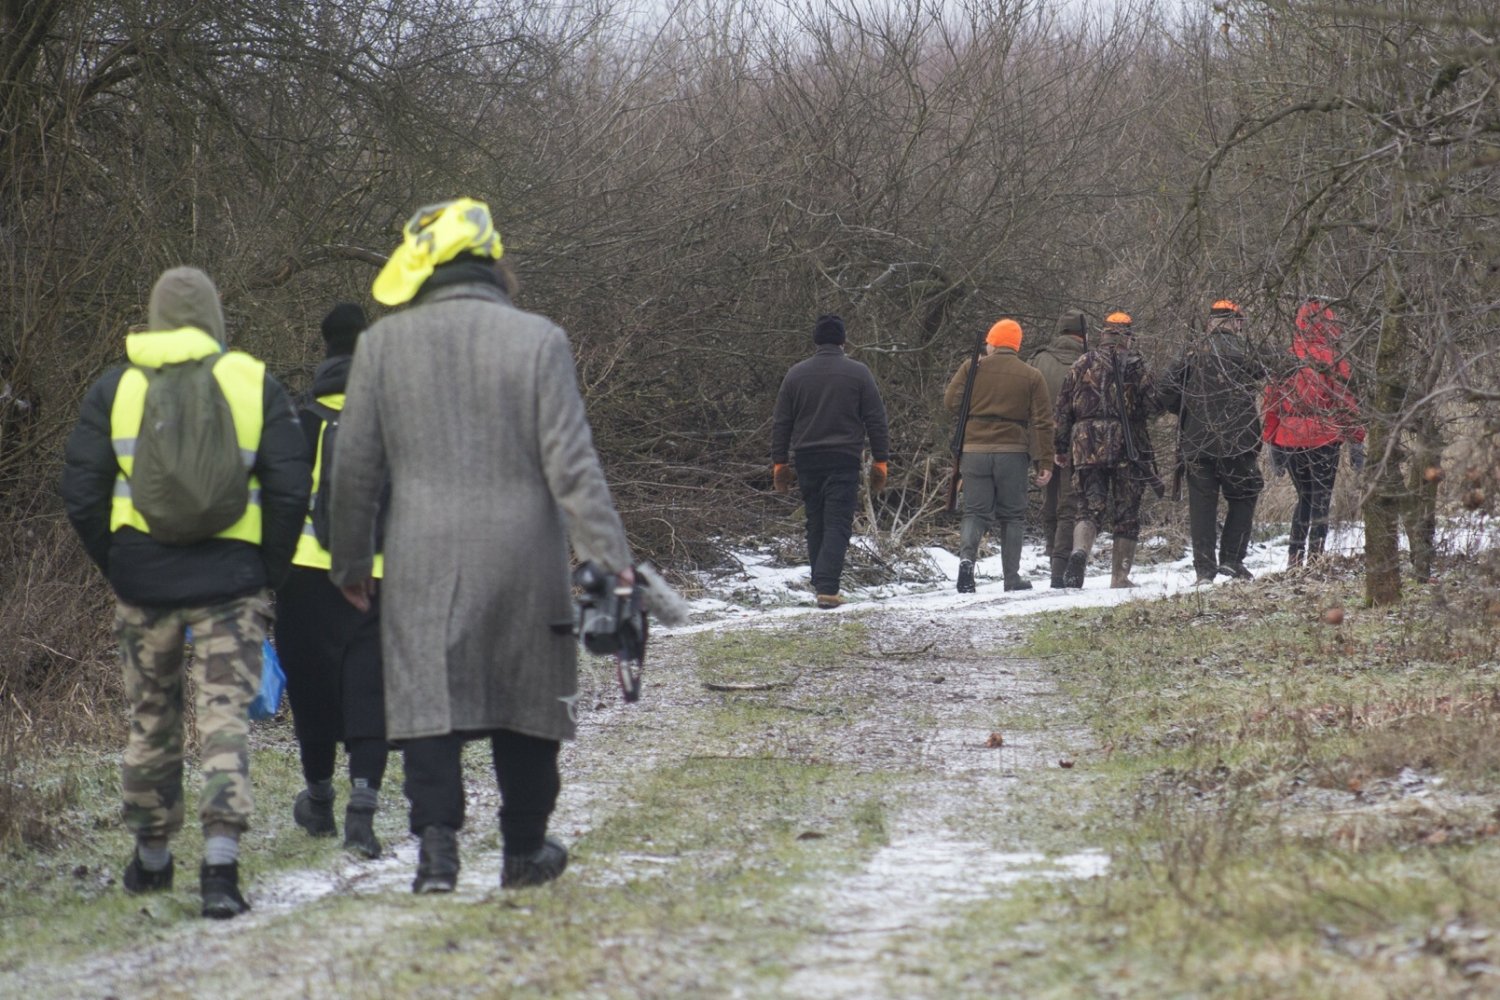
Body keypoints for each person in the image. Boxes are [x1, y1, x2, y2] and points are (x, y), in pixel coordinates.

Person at [327, 198, 635, 893]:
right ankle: (524, 851)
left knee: (428, 697)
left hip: (422, 556)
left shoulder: (380, 348)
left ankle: (437, 852)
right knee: (526, 703)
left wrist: (349, 561)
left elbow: (354, 470)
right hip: (525, 554)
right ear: (494, 261)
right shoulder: (539, 340)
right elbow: (574, 465)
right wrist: (606, 562)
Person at [60, 266, 310, 918]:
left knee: (153, 719)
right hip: (233, 584)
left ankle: (150, 860)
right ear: (215, 318)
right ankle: (221, 870)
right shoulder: (255, 383)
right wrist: (268, 571)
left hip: (144, 583)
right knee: (224, 720)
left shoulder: (116, 387)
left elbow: (81, 492)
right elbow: (290, 490)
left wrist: (119, 564)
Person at [277, 302, 390, 858]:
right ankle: (363, 808)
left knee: (312, 687)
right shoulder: (390, 412)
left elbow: (279, 497)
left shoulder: (298, 415)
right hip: (377, 569)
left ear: (322, 348)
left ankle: (319, 799)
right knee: (371, 686)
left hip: (304, 572)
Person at [770, 314, 891, 609]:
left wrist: (780, 463)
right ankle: (827, 587)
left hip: (807, 459)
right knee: (837, 521)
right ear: (843, 341)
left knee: (816, 521)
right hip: (844, 457)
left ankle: (821, 583)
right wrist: (881, 461)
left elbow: (781, 422)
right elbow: (876, 419)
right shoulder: (858, 373)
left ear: (815, 340)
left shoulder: (795, 374)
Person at [1159, 299, 1283, 583]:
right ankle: (1231, 559)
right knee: (1245, 494)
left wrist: (1187, 409)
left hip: (1196, 442)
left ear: (1209, 323)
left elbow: (1164, 391)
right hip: (1237, 442)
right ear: (1237, 322)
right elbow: (1280, 364)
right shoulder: (1245, 350)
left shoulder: (1190, 352)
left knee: (1202, 506)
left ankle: (1204, 570)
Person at [943, 318, 1054, 593]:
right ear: (1016, 345)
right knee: (1013, 516)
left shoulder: (972, 367)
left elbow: (951, 402)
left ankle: (967, 564)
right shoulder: (1031, 375)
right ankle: (1011, 578)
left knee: (974, 512)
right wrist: (1045, 461)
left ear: (993, 342)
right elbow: (1042, 421)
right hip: (1013, 453)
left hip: (974, 451)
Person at [1053, 312, 1162, 588]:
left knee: (1088, 506)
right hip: (1128, 445)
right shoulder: (1136, 365)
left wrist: (1061, 446)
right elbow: (1153, 407)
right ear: (1127, 335)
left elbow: (1063, 410)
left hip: (1086, 444)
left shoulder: (1081, 363)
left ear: (1103, 334)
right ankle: (1120, 577)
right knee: (1127, 512)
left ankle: (1079, 554)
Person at [1262, 299, 1366, 567]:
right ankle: (1316, 556)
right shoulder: (1334, 360)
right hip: (1325, 436)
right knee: (1321, 498)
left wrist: (1271, 441)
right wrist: (1356, 439)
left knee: (1304, 497)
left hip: (1290, 437)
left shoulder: (1286, 358)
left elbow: (1271, 403)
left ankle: (1294, 558)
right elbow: (1346, 403)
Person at [1028, 309, 1088, 587]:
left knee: (1049, 501)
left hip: (1041, 440)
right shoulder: (1088, 361)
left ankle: (1051, 551)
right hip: (1077, 442)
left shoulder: (1038, 359)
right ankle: (1059, 567)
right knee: (1069, 504)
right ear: (1082, 334)